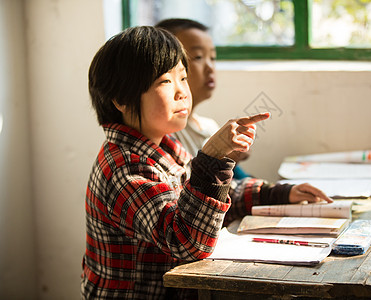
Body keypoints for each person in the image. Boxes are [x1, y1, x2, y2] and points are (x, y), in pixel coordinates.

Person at [81, 26, 332, 299]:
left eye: (183, 78)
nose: (182, 93)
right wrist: (212, 158)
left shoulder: (164, 146)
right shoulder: (124, 167)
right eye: (165, 82)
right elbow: (188, 241)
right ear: (121, 98)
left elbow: (202, 200)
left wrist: (277, 193)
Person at [155, 18, 251, 179]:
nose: (210, 67)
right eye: (198, 57)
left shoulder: (209, 126)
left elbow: (241, 182)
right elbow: (187, 192)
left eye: (212, 58)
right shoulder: (167, 134)